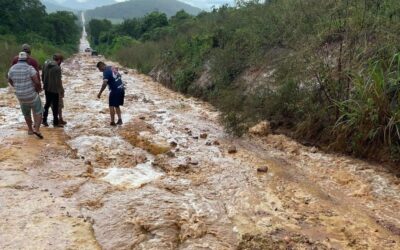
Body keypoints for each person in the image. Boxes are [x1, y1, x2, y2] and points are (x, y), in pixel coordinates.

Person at [8, 52, 44, 139]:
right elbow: (36, 81)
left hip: (20, 96)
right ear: (27, 59)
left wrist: (16, 86)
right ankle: (37, 130)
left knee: (26, 113)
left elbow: (10, 80)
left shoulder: (12, 69)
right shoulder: (29, 68)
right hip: (31, 95)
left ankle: (30, 130)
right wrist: (38, 89)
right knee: (38, 111)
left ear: (19, 59)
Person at [96, 61, 125, 126]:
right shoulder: (112, 67)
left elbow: (104, 84)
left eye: (99, 69)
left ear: (101, 66)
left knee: (111, 105)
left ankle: (112, 122)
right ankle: (120, 120)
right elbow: (119, 75)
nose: (99, 70)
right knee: (116, 105)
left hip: (115, 90)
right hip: (121, 89)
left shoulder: (105, 72)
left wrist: (100, 93)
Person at [42, 54, 64, 127]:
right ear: (59, 60)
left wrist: (45, 84)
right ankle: (55, 123)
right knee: (55, 106)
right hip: (54, 89)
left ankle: (44, 120)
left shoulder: (45, 65)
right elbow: (58, 81)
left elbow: (42, 76)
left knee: (47, 104)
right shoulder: (57, 68)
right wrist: (61, 91)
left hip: (47, 88)